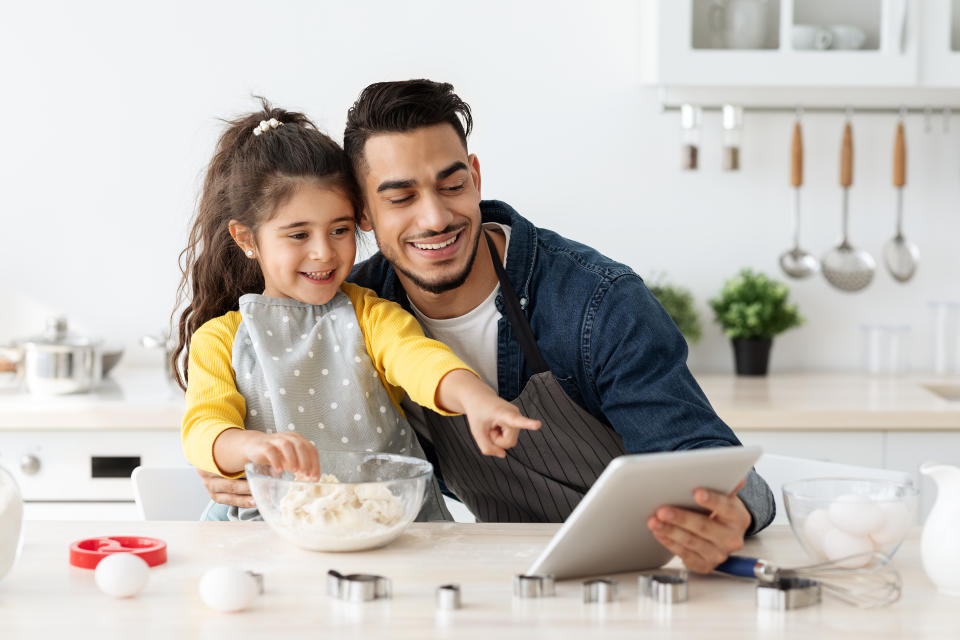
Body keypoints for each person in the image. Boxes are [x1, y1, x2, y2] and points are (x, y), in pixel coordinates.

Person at [199, 81, 775, 573]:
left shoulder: (594, 301)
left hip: (637, 570)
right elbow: (244, 414)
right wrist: (231, 470)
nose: (435, 217)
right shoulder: (351, 305)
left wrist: (734, 512)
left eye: (451, 185)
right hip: (500, 569)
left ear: (475, 177)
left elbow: (703, 455)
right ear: (366, 215)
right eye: (401, 197)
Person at [173, 100, 540, 521]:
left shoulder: (368, 313)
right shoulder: (220, 339)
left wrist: (477, 400)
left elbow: (420, 361)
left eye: (340, 230)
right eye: (298, 234)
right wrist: (249, 447)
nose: (323, 252)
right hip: (273, 528)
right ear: (247, 239)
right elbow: (203, 428)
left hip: (383, 520)